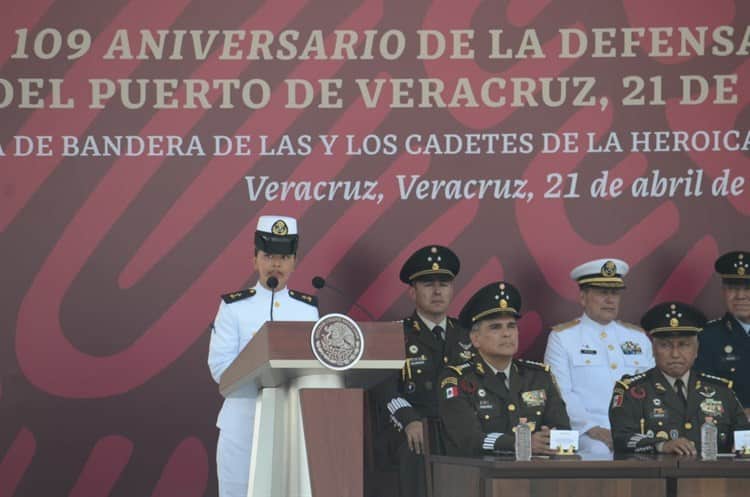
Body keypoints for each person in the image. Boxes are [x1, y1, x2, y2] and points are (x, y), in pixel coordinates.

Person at [208, 215, 318, 497]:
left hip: (292, 425)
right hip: (242, 425)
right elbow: (220, 369)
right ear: (254, 259)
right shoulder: (233, 307)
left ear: (294, 262)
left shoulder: (307, 310)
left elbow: (313, 369)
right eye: (268, 255)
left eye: (283, 256)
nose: (276, 264)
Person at [439, 281, 570, 457]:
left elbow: (565, 433)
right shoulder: (458, 379)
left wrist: (549, 440)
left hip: (539, 474)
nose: (507, 333)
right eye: (495, 327)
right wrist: (521, 443)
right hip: (481, 475)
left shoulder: (539, 376)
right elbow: (468, 439)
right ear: (475, 338)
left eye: (511, 326)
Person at [383, 245, 472, 497]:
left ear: (452, 289)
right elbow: (386, 389)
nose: (436, 291)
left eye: (443, 284)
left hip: (461, 428)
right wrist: (409, 419)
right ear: (412, 292)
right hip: (417, 428)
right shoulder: (396, 334)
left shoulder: (468, 335)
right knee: (413, 448)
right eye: (427, 284)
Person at [544, 258, 653, 455]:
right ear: (583, 297)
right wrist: (593, 428)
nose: (610, 300)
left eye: (615, 293)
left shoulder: (637, 337)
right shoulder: (562, 337)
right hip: (585, 431)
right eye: (602, 293)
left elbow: (652, 388)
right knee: (599, 451)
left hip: (635, 429)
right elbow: (561, 393)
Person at [609, 301, 747, 454]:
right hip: (656, 476)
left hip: (713, 477)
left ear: (696, 350)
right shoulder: (632, 391)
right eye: (665, 345)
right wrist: (661, 445)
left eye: (683, 345)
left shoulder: (721, 390)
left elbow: (744, 434)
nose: (675, 354)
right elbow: (621, 438)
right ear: (653, 349)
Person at [696, 251, 750, 418]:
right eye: (733, 288)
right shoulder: (706, 337)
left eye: (748, 288)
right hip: (731, 435)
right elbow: (700, 397)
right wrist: (739, 415)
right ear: (723, 291)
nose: (740, 296)